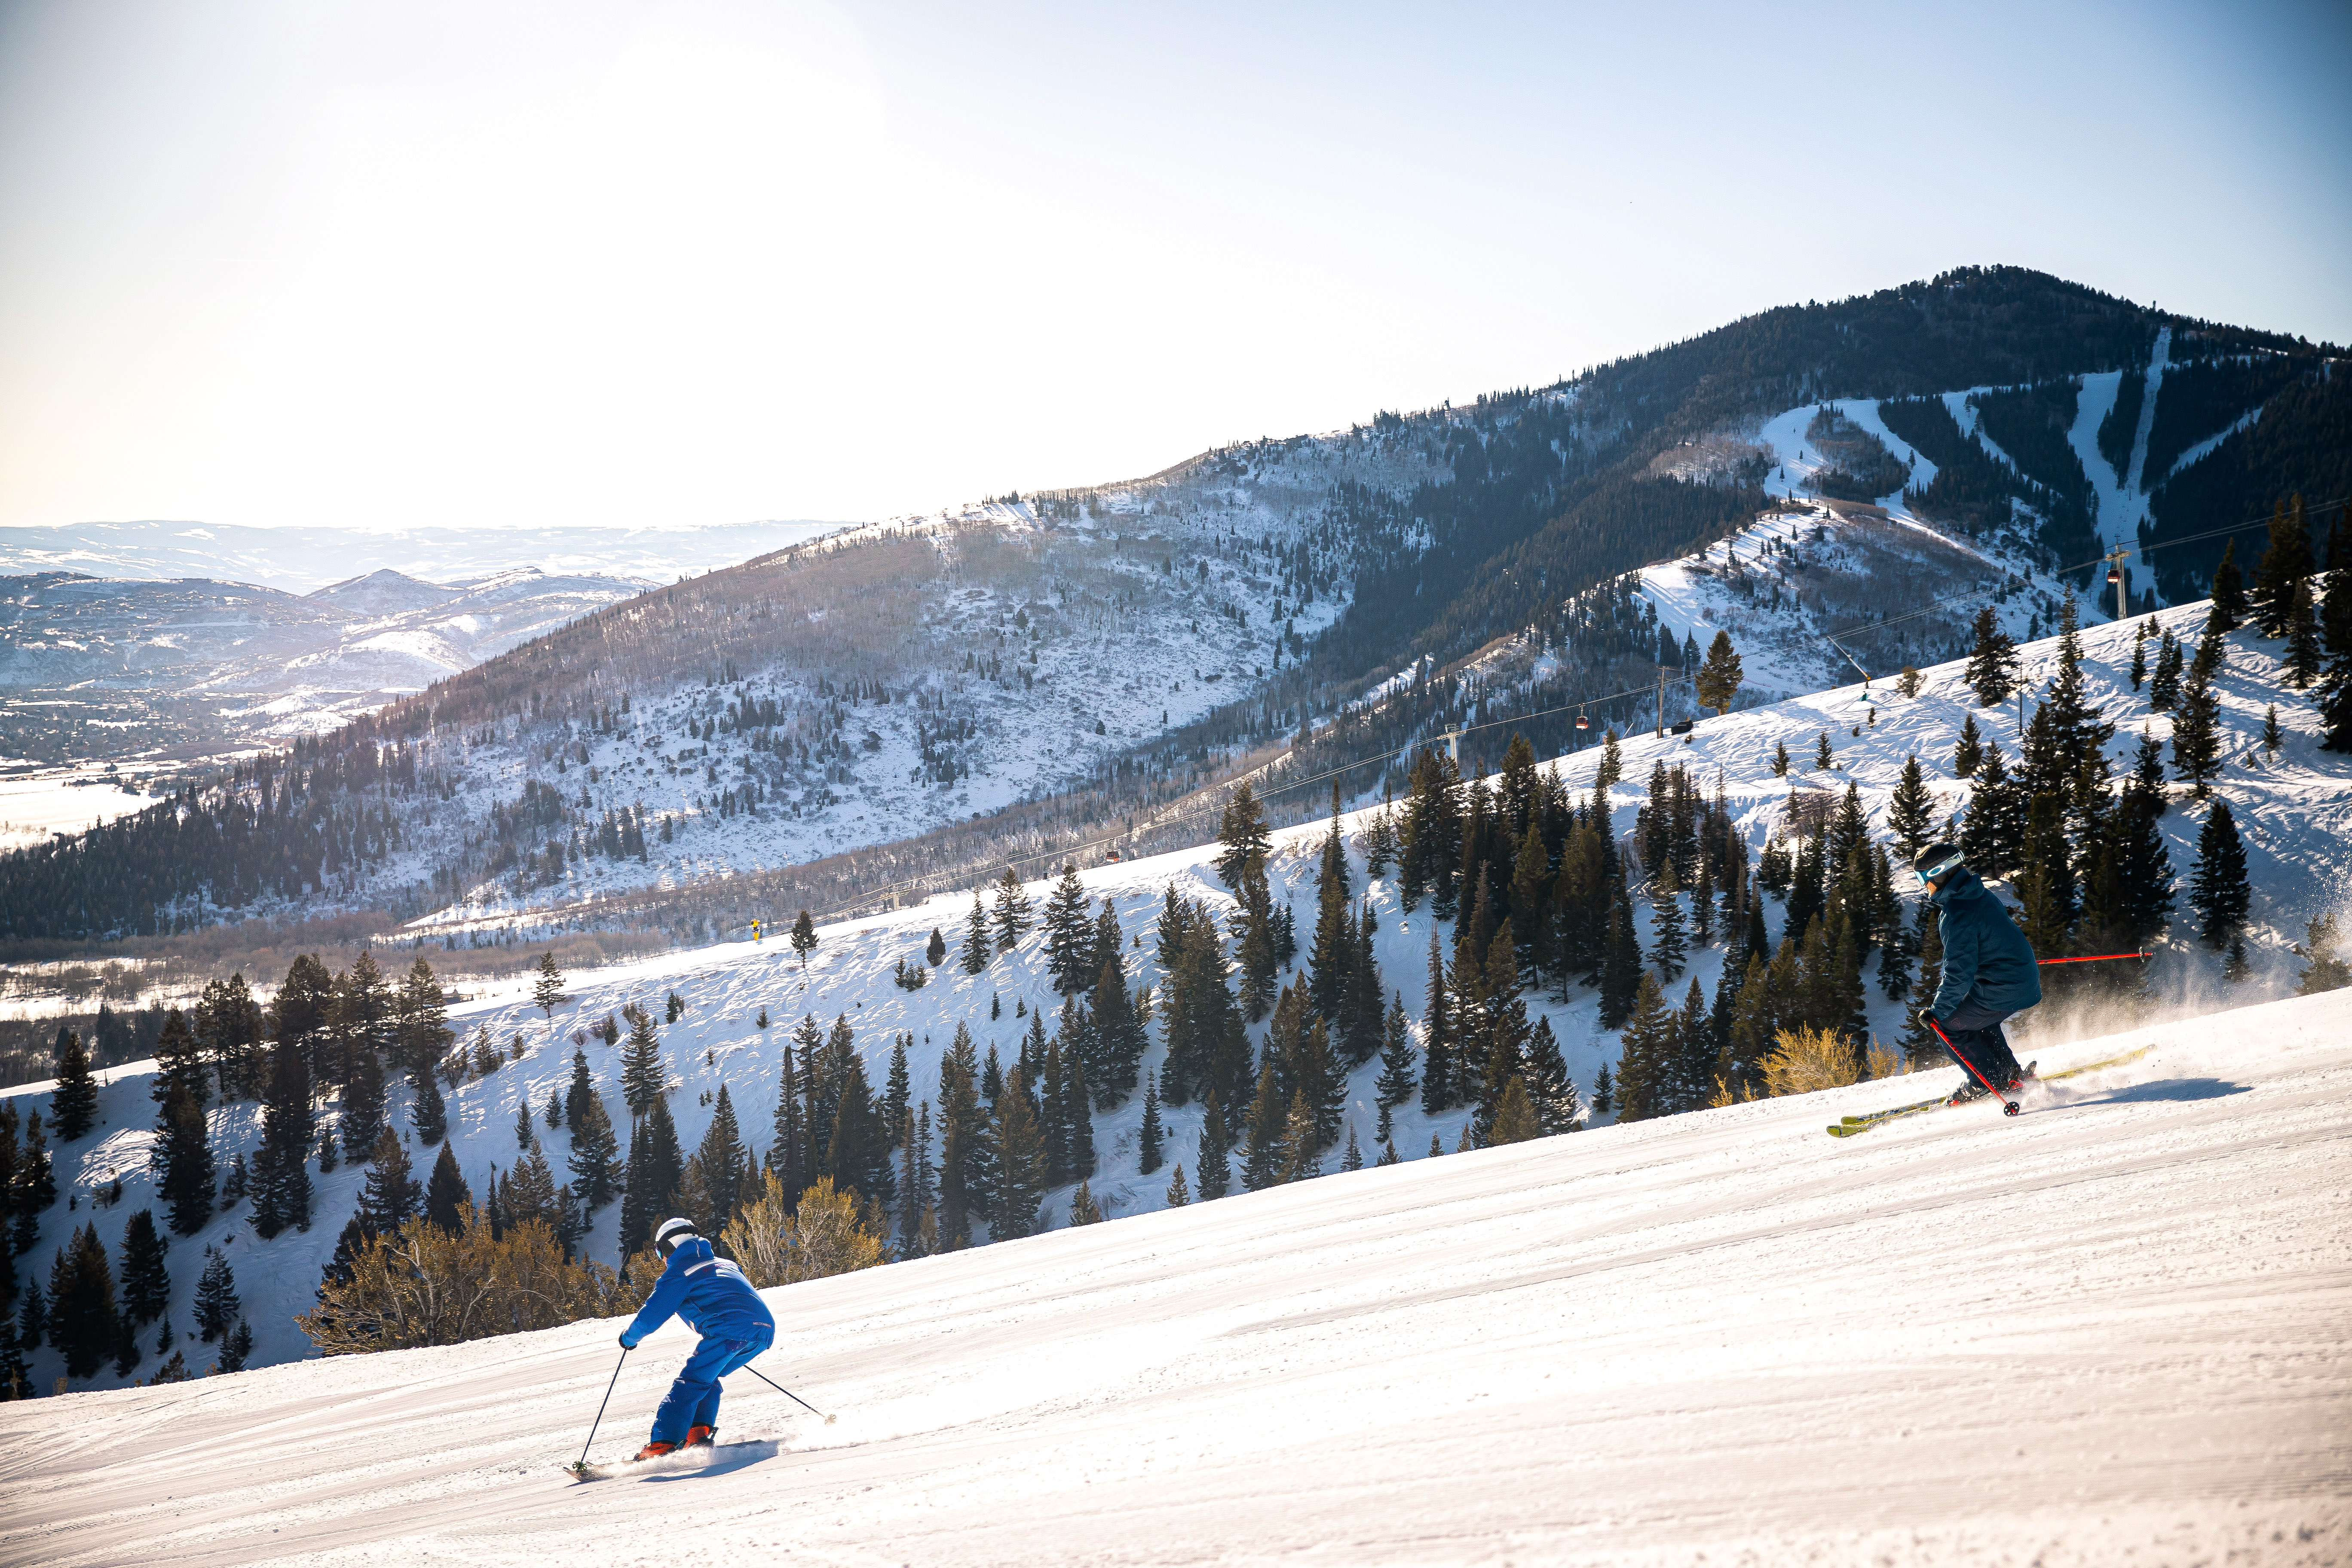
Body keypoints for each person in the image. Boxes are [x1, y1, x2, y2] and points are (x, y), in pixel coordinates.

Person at [618, 1216, 776, 1460]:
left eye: (661, 1253)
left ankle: (664, 1443)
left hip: (728, 1331)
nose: (663, 1260)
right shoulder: (727, 1264)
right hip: (763, 1331)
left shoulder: (680, 1272)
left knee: (690, 1383)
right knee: (707, 1379)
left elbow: (652, 1315)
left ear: (669, 1247)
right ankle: (697, 1433)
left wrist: (630, 1338)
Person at [1914, 842, 2040, 1106]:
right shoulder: (1978, 894)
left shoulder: (1957, 913)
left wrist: (1938, 1011)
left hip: (2004, 986)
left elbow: (1959, 972)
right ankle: (2010, 1074)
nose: (1923, 885)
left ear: (1940, 873)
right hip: (2021, 979)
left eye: (1923, 877)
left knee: (1947, 1025)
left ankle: (1985, 1081)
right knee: (1979, 1017)